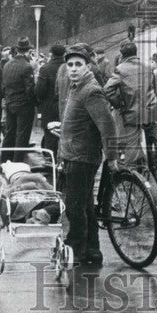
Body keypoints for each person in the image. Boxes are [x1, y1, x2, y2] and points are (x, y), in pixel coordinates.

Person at [59, 44, 120, 266]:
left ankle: (77, 250)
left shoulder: (91, 90)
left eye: (78, 64)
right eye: (70, 65)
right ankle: (92, 251)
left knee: (75, 207)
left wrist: (111, 156)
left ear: (88, 67)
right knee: (84, 205)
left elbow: (107, 125)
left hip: (81, 157)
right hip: (74, 154)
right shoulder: (76, 87)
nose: (73, 69)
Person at [104, 40, 157, 165]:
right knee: (152, 132)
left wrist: (119, 104)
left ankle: (133, 172)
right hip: (151, 107)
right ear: (136, 52)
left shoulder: (120, 69)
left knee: (132, 142)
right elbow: (152, 86)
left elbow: (108, 89)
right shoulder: (148, 66)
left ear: (122, 55)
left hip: (133, 111)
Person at [1, 37, 37, 162]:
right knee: (22, 135)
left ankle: (4, 161)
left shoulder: (7, 65)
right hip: (23, 105)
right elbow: (30, 90)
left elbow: (4, 86)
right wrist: (35, 103)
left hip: (10, 102)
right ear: (28, 51)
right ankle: (17, 162)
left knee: (10, 133)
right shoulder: (27, 66)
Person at [35, 44, 65, 158]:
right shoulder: (68, 67)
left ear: (51, 54)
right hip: (66, 107)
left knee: (50, 138)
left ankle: (50, 163)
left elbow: (39, 91)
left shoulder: (45, 69)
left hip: (49, 108)